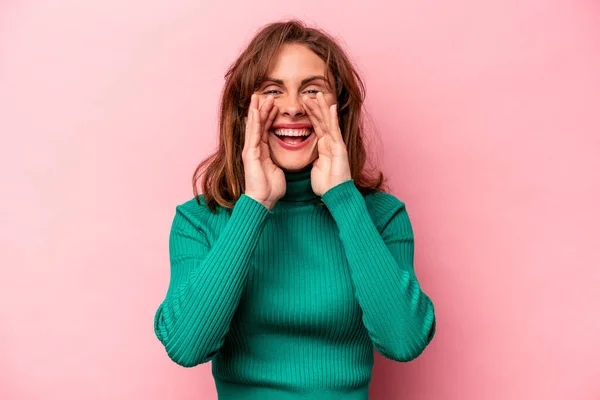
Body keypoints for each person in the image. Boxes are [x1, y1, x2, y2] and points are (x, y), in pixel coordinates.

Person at [153, 19, 436, 399]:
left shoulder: (382, 217)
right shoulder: (199, 220)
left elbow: (404, 341)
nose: (291, 108)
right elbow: (187, 347)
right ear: (243, 112)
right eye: (272, 90)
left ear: (340, 108)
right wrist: (255, 205)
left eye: (312, 91)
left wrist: (343, 196)